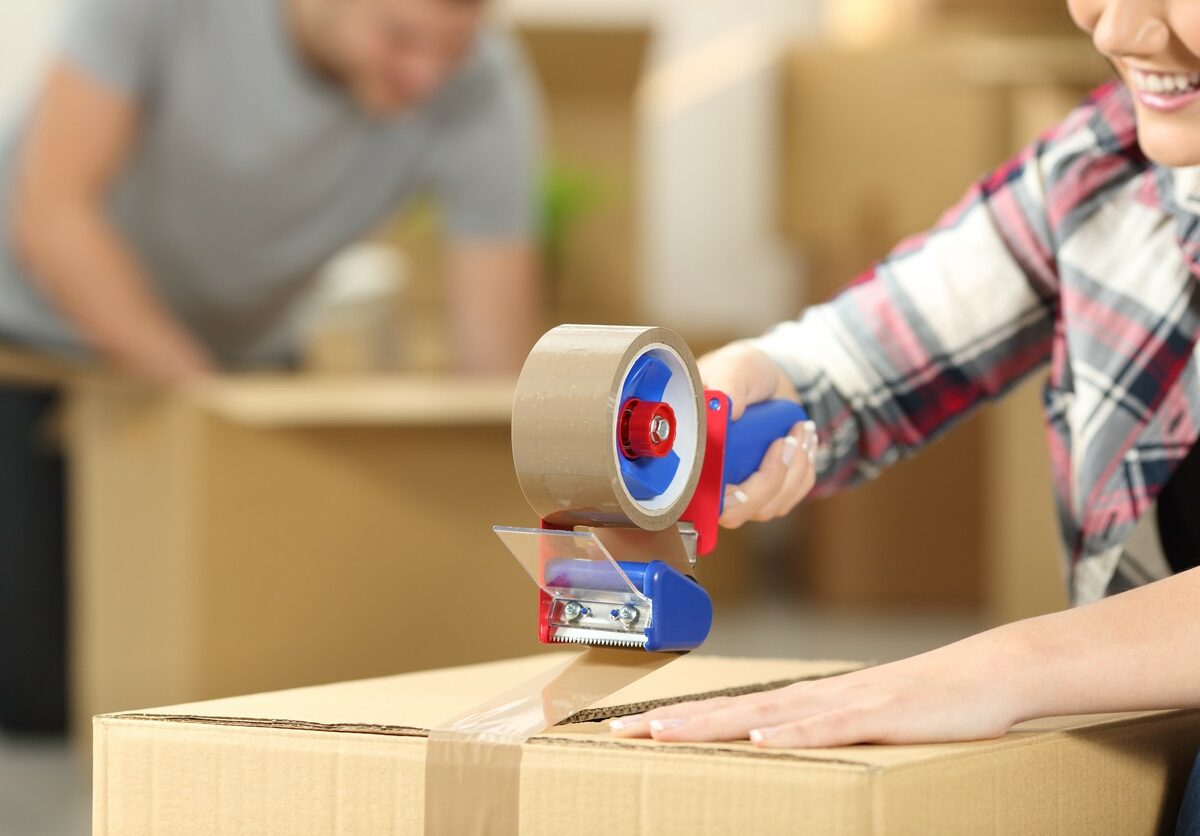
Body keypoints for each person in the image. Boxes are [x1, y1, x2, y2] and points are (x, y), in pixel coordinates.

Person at [613, 0, 1200, 829]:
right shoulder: (1104, 165)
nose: (1119, 30)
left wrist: (1008, 666)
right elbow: (865, 357)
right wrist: (755, 386)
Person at [0, 0, 541, 732]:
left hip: (244, 361)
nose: (426, 77)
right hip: (37, 345)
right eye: (401, 39)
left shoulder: (480, 84)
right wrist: (211, 404)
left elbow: (494, 372)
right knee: (43, 690)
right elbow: (55, 213)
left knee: (249, 673)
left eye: (450, 49)